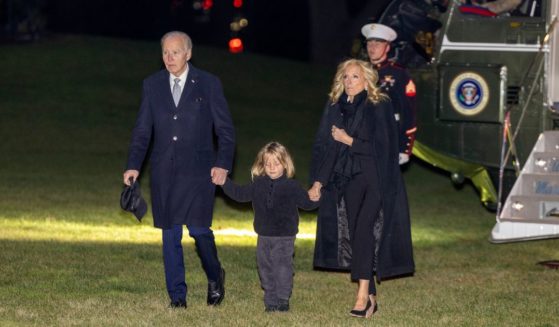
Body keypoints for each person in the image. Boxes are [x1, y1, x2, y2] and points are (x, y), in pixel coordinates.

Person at [123, 31, 235, 309]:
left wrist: (223, 163)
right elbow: (142, 130)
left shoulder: (208, 84)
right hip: (164, 171)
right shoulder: (152, 85)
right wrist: (133, 166)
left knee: (198, 231)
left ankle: (214, 275)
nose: (169, 58)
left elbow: (225, 130)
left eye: (175, 52)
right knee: (170, 233)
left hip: (199, 171)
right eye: (165, 53)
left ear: (188, 53)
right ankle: (177, 296)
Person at [308, 59, 414, 318]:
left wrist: (350, 140)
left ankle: (361, 296)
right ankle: (372, 297)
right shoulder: (337, 107)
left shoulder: (379, 104)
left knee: (365, 227)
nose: (349, 82)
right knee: (357, 235)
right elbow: (331, 149)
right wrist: (319, 182)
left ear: (366, 79)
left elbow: (384, 149)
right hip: (349, 178)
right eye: (345, 77)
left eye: (354, 77)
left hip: (376, 177)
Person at [217, 142, 318, 312]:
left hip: (285, 236)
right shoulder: (258, 184)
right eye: (267, 163)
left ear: (285, 164)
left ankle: (283, 299)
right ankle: (270, 300)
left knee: (282, 267)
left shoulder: (291, 186)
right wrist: (224, 182)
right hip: (263, 235)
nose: (271, 167)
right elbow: (240, 194)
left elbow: (307, 203)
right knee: (265, 268)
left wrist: (318, 194)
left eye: (276, 163)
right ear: (261, 164)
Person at [361, 23, 417, 165]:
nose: (372, 48)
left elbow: (408, 112)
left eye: (378, 44)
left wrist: (405, 148)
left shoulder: (399, 74)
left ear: (387, 47)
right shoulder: (358, 71)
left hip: (387, 134)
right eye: (369, 43)